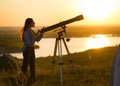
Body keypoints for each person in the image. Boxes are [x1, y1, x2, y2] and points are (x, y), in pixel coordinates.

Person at [20, 18, 43, 83]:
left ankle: (32, 80)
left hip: (31, 49)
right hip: (27, 50)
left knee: (33, 66)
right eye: (33, 22)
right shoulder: (26, 33)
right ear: (29, 23)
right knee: (25, 67)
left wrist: (41, 34)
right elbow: (30, 43)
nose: (34, 23)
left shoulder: (31, 31)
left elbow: (37, 39)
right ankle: (20, 81)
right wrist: (36, 36)